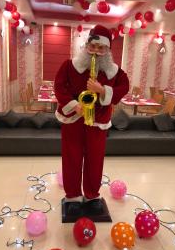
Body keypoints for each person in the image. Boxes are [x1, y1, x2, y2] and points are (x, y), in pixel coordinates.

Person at [54, 25, 129, 215]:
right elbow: (59, 87)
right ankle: (72, 196)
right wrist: (74, 105)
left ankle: (92, 195)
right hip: (74, 119)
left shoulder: (115, 72)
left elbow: (124, 86)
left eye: (101, 48)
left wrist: (103, 90)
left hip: (98, 122)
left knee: (95, 159)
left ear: (108, 50)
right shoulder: (69, 65)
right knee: (72, 157)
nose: (96, 51)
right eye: (93, 46)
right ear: (87, 45)